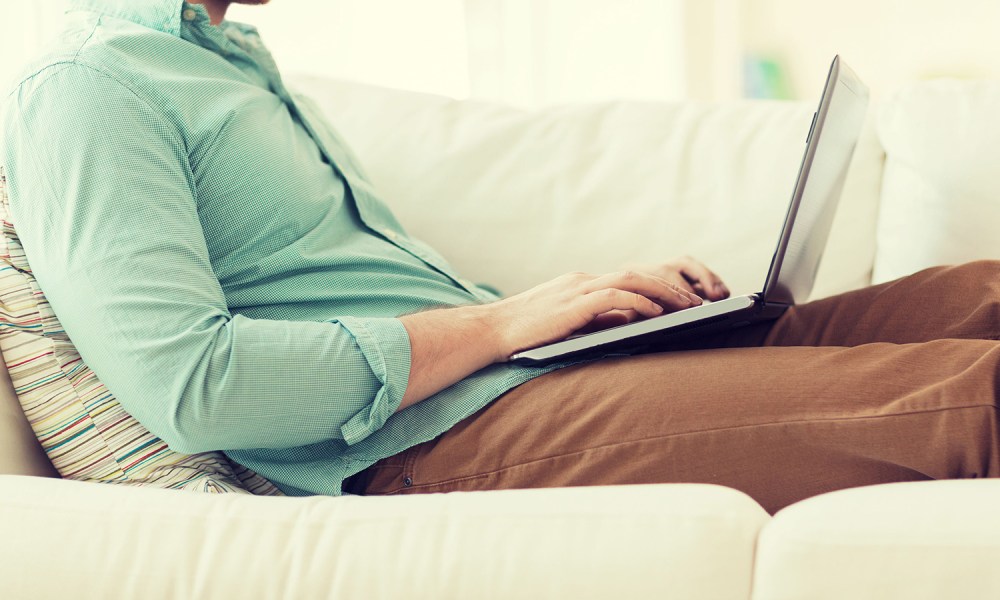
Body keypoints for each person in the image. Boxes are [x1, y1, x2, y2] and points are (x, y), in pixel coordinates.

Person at [2, 0, 998, 515]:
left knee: (976, 296)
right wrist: (503, 324)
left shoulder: (222, 60)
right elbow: (196, 387)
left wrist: (571, 305)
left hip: (506, 380)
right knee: (970, 397)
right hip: (412, 446)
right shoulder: (91, 85)